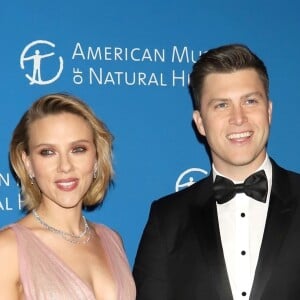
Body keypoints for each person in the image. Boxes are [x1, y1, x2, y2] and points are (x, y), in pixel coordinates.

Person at [133, 44, 300, 300]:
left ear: (268, 111)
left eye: (250, 101)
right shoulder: (166, 219)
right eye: (222, 105)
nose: (239, 118)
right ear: (200, 122)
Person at [0, 93, 136, 300]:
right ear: (28, 163)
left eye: (78, 149)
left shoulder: (111, 239)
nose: (65, 166)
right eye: (48, 152)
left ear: (97, 157)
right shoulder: (8, 249)